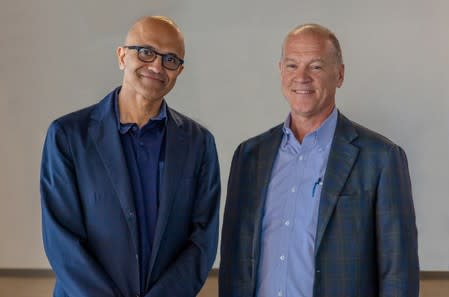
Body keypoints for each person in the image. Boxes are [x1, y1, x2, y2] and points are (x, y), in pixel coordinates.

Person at [219, 23, 419, 297]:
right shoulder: (249, 156)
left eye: (315, 66)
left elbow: (398, 273)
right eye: (292, 65)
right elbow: (234, 262)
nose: (301, 77)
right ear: (280, 71)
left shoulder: (381, 158)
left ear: (339, 74)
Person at [40, 16, 220, 297]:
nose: (157, 66)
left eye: (170, 59)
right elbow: (62, 240)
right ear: (122, 56)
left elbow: (202, 241)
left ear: (179, 71)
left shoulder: (199, 144)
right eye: (146, 52)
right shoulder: (67, 136)